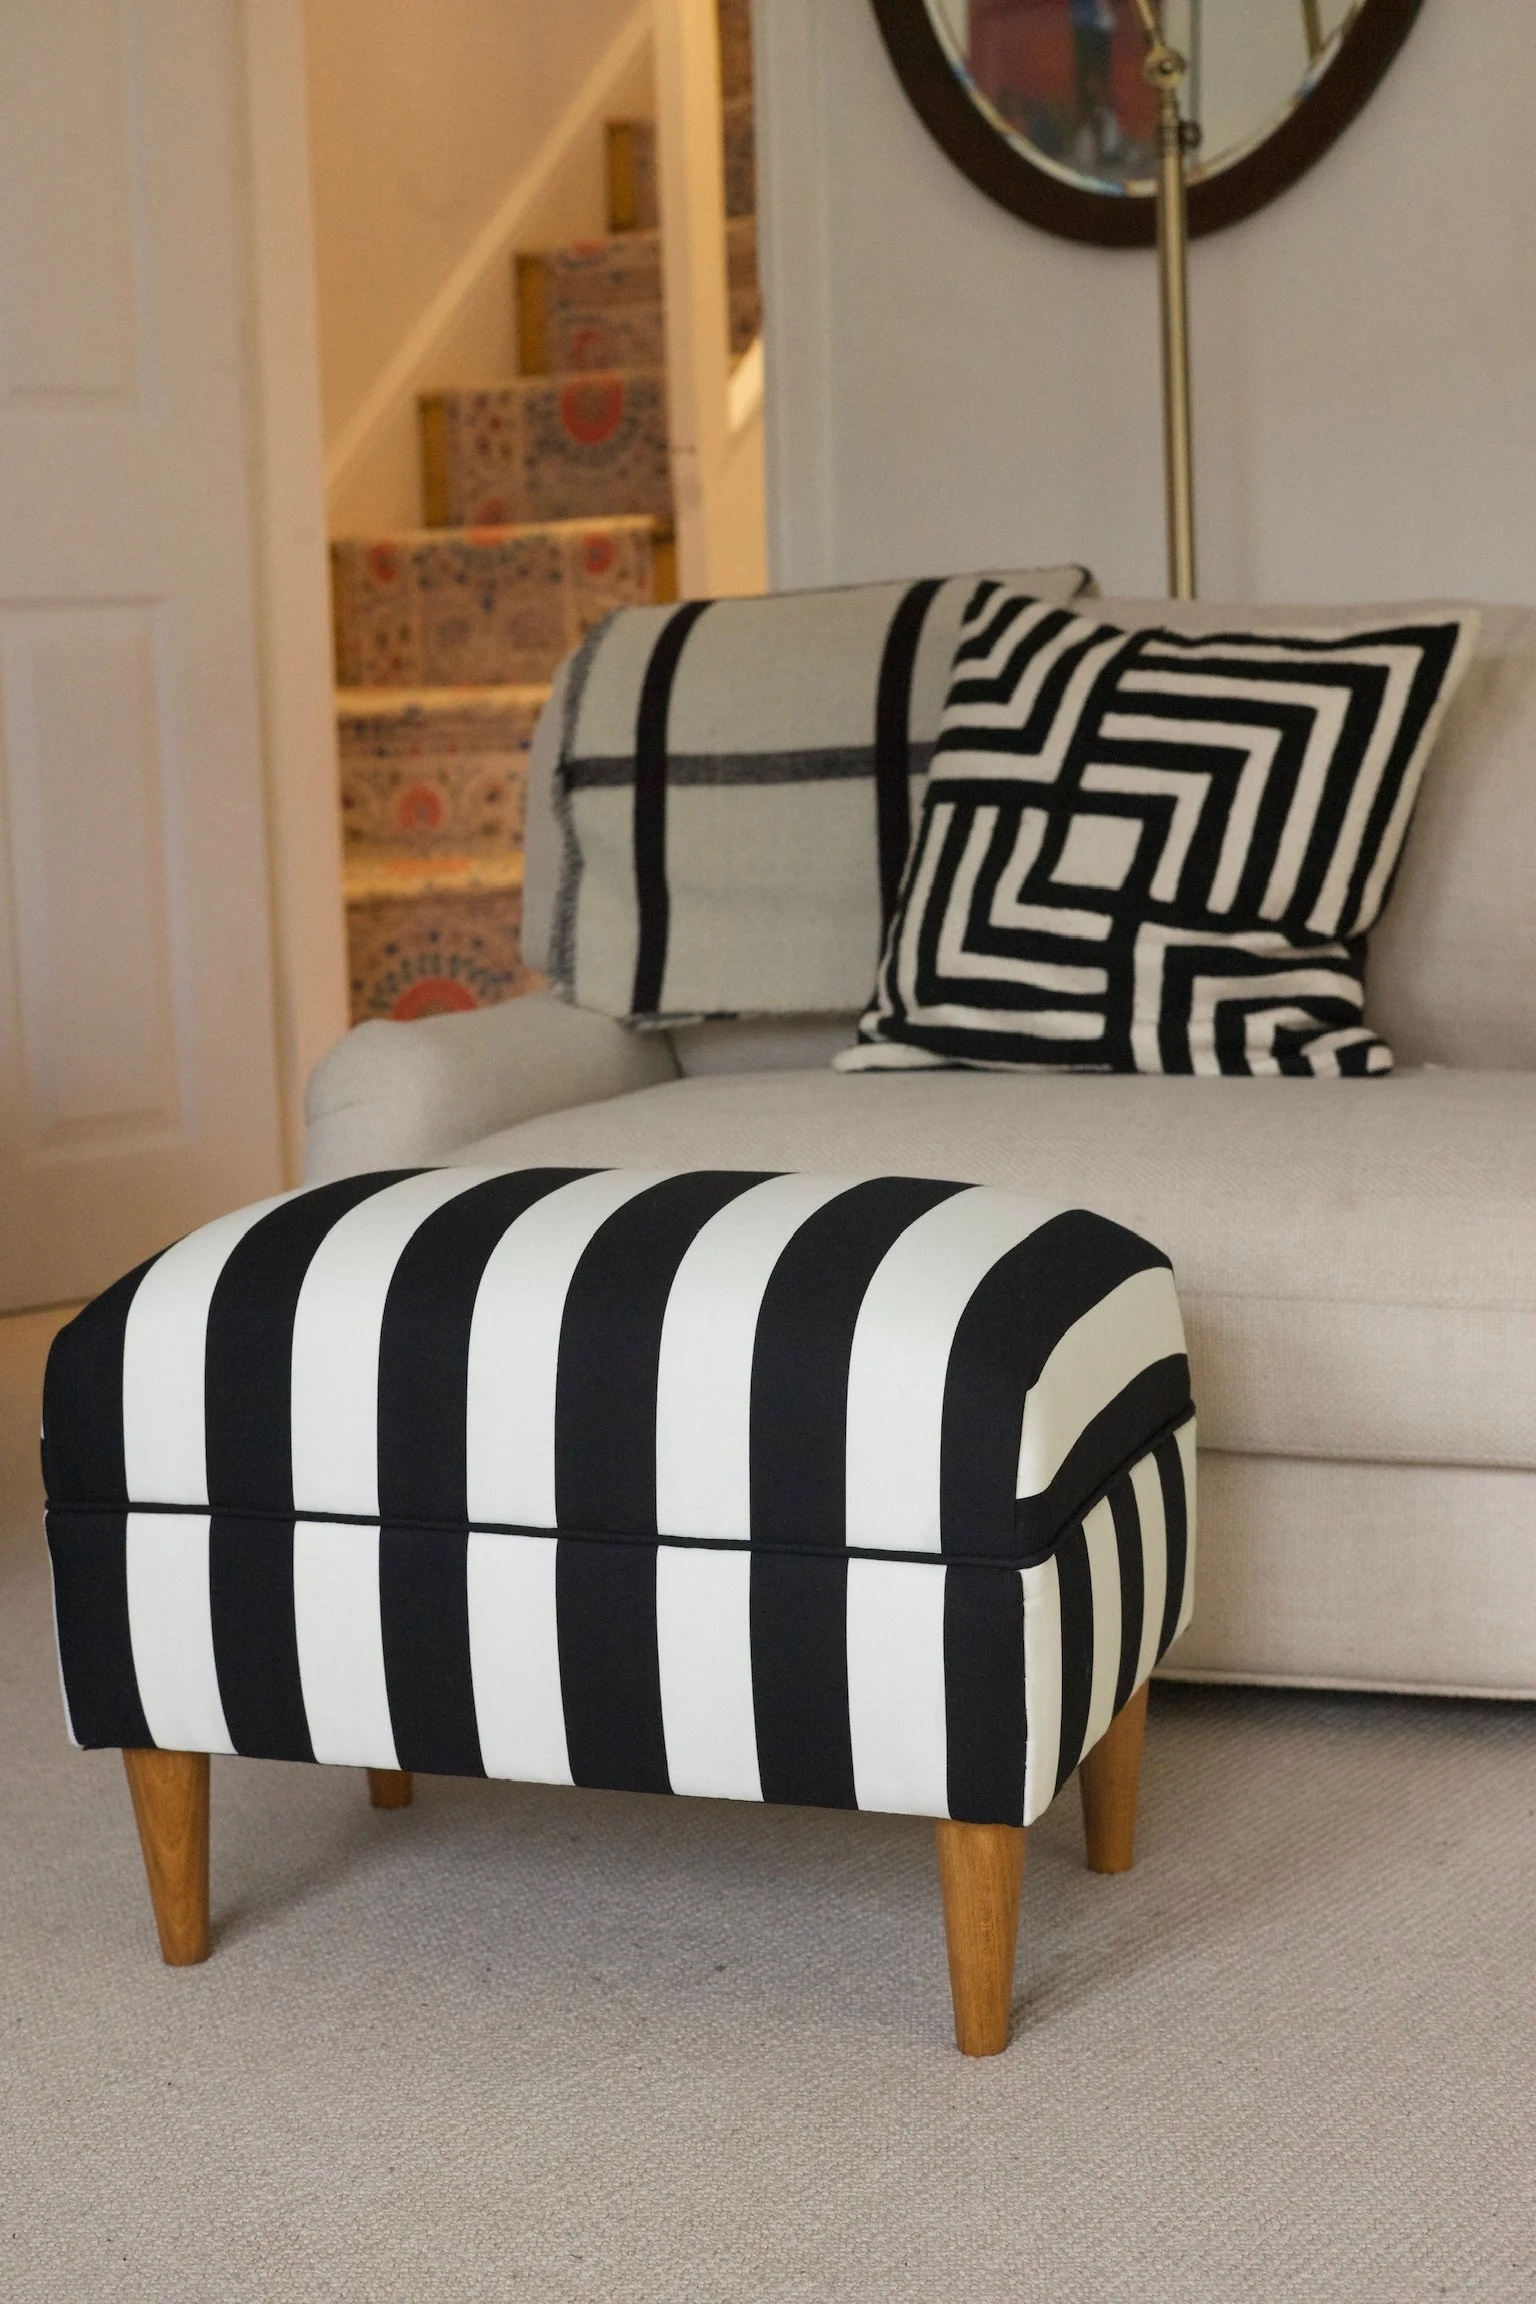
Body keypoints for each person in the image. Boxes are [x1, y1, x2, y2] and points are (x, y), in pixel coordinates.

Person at [1069, 0, 1122, 169]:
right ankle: (1094, 146)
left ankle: (1104, 147)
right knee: (1091, 79)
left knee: (1097, 78)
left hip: (1098, 25)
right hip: (1088, 25)